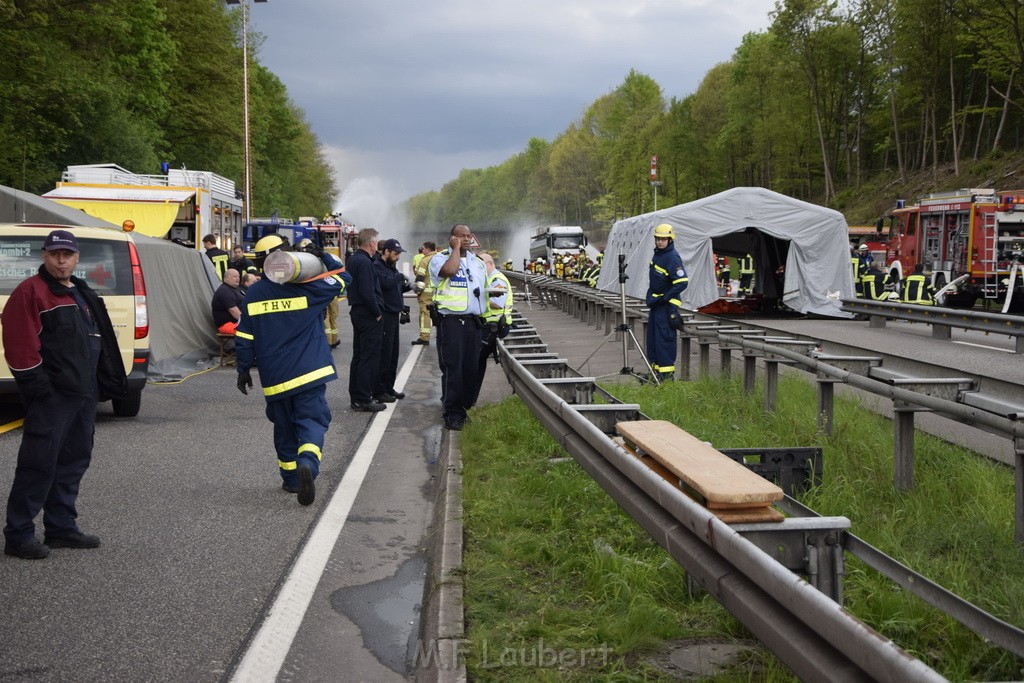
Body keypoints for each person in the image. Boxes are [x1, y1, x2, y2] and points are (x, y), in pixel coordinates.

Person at [2, 229, 128, 559]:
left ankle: (60, 527)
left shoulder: (81, 292)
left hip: (83, 395)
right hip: (53, 398)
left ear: (76, 258)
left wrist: (105, 382)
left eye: (67, 254)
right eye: (55, 253)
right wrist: (40, 390)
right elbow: (19, 347)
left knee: (73, 461)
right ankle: (18, 533)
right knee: (38, 463)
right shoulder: (31, 293)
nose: (61, 260)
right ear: (44, 255)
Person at [235, 235, 351, 506]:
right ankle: (308, 463)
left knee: (284, 428)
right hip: (310, 372)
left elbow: (245, 338)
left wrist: (243, 370)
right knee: (312, 421)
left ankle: (290, 481)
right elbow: (344, 278)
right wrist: (322, 255)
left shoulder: (254, 293)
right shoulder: (310, 289)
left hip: (275, 377)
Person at [429, 224, 488, 431]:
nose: (466, 239)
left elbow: (481, 288)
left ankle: (463, 410)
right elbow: (450, 271)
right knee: (453, 368)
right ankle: (452, 413)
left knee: (470, 369)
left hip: (473, 322)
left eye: (468, 236)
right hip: (451, 322)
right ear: (452, 238)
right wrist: (455, 250)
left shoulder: (477, 262)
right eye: (460, 236)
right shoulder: (439, 259)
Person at [346, 228, 386, 412]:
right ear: (370, 243)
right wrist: (377, 311)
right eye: (376, 242)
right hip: (368, 314)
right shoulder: (363, 262)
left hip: (358, 312)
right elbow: (367, 291)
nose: (377, 244)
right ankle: (363, 398)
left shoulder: (355, 259)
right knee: (367, 357)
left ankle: (356, 397)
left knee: (359, 356)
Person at [468, 253, 513, 408]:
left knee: (475, 362)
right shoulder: (490, 279)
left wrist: (478, 301)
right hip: (490, 326)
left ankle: (469, 400)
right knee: (477, 363)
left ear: (489, 264)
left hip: (493, 327)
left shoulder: (497, 280)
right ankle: (469, 399)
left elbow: (498, 303)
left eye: (480, 267)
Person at [645, 223, 689, 382]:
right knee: (653, 341)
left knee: (664, 341)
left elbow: (682, 282)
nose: (660, 242)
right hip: (657, 305)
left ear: (670, 240)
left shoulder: (671, 257)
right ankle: (655, 374)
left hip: (666, 307)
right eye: (658, 239)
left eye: (663, 239)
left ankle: (667, 377)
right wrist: (651, 297)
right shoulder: (658, 255)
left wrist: (665, 297)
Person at [373, 238, 411, 402]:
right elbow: (386, 284)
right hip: (385, 315)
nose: (398, 257)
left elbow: (397, 287)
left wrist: (410, 286)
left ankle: (389, 387)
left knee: (393, 354)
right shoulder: (377, 267)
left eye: (399, 254)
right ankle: (379, 391)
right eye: (395, 254)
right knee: (385, 354)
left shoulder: (391, 268)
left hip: (394, 314)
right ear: (386, 251)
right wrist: (401, 276)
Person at [411, 241, 436, 346]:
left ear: (428, 249)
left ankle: (424, 337)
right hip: (440, 292)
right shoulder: (440, 258)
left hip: (426, 292)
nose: (422, 251)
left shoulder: (425, 260)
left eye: (424, 249)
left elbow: (420, 277)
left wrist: (417, 291)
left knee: (425, 313)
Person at [212, 268, 245, 334]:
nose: (238, 278)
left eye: (238, 276)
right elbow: (234, 311)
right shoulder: (224, 291)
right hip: (228, 325)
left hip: (236, 322)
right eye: (235, 277)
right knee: (253, 330)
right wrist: (247, 322)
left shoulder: (235, 289)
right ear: (227, 278)